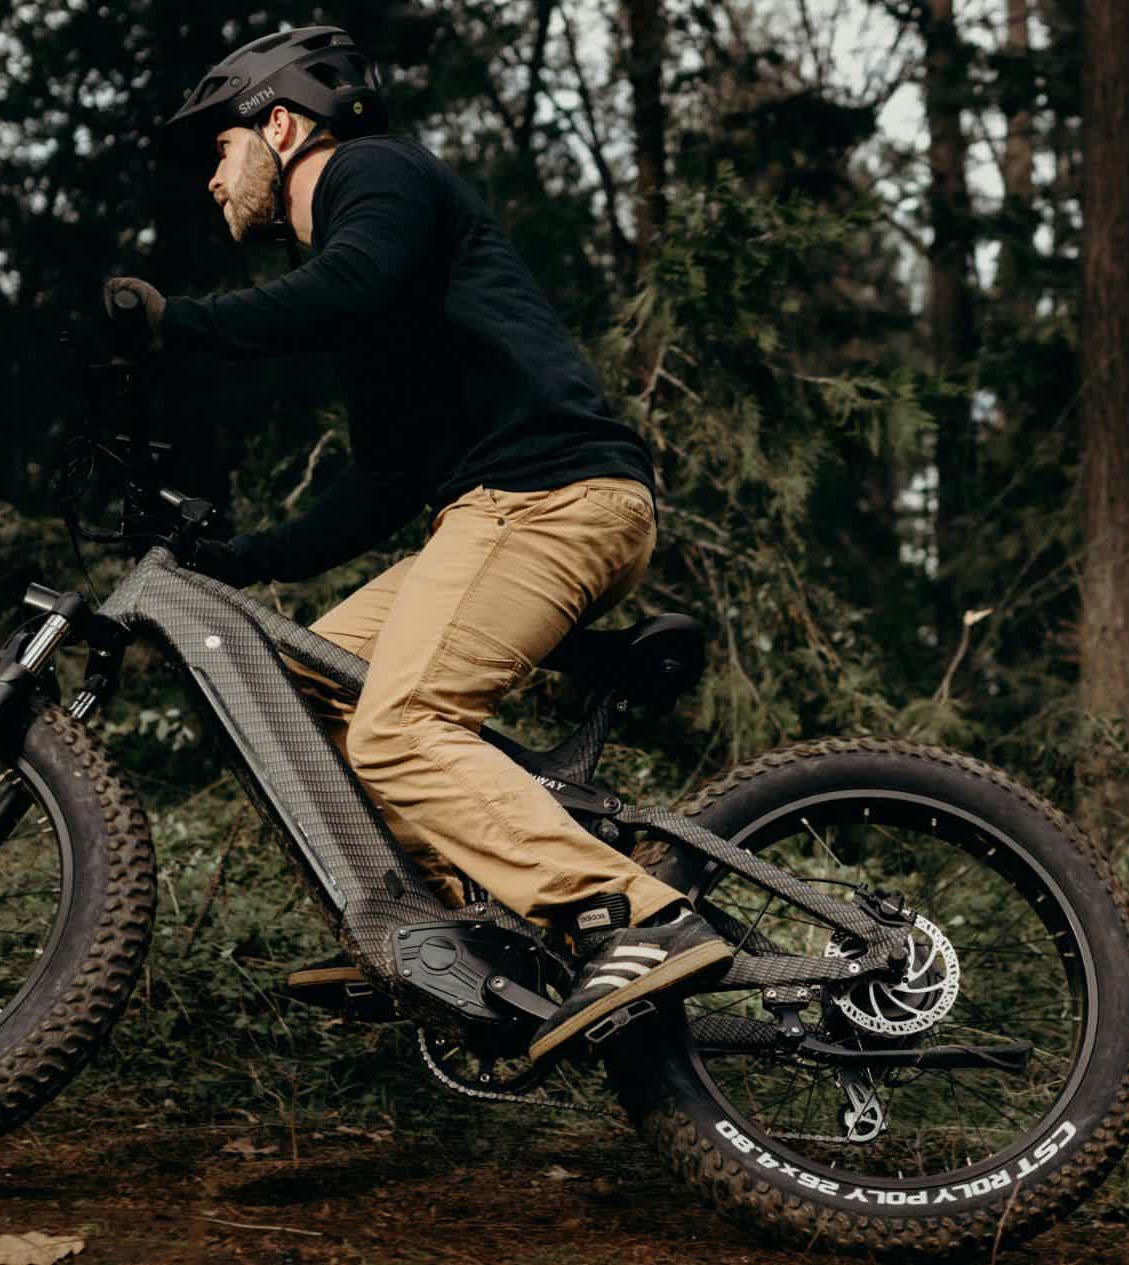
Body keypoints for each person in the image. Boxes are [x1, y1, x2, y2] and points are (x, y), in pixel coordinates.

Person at [103, 26, 728, 1065]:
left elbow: (346, 285)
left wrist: (183, 324)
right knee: (291, 678)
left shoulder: (374, 176)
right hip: (495, 510)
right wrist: (244, 558)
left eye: (219, 151)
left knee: (398, 727)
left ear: (283, 123)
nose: (213, 183)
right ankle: (442, 930)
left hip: (546, 498)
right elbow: (384, 479)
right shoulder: (368, 282)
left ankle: (636, 913)